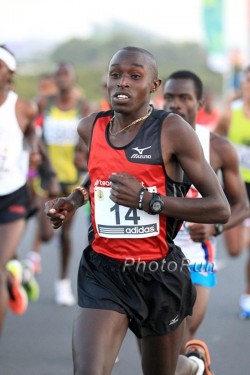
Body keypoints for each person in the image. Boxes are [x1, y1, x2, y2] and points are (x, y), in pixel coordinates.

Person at [45, 46, 230, 375]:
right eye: (115, 75)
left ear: (154, 86)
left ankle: (189, 367)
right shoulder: (91, 127)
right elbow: (97, 178)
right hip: (105, 271)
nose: (123, 83)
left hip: (158, 274)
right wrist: (72, 201)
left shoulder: (171, 130)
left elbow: (219, 207)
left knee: (162, 370)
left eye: (134, 76)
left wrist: (148, 201)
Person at [162, 70, 249, 367]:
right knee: (160, 349)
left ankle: (193, 363)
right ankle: (194, 365)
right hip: (150, 257)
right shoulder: (146, 144)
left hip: (195, 257)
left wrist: (215, 226)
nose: (175, 104)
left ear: (199, 102)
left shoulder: (218, 148)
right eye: (170, 97)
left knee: (177, 340)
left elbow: (242, 206)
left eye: (184, 98)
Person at [27, 61, 91, 306]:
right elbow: (36, 138)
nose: (62, 78)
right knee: (45, 232)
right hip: (48, 177)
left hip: (72, 177)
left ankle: (63, 283)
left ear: (73, 78)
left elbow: (87, 137)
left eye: (66, 74)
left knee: (64, 233)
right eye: (59, 75)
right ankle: (35, 256)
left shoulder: (83, 105)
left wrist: (81, 153)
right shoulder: (45, 103)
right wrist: (47, 170)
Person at [0, 45, 51, 335]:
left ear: (10, 74)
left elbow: (34, 140)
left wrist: (36, 158)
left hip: (12, 197)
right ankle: (12, 275)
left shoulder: (22, 107)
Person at [215, 65, 250, 318]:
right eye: (248, 82)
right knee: (235, 249)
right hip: (236, 187)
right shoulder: (230, 114)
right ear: (242, 85)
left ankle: (248, 294)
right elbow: (213, 144)